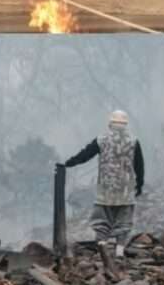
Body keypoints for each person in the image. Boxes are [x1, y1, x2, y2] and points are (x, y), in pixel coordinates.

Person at [59, 109, 145, 258]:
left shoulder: (101, 139)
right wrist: (140, 184)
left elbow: (85, 155)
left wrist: (69, 163)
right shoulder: (133, 141)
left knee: (102, 221)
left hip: (106, 189)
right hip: (125, 189)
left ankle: (102, 248)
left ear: (110, 123)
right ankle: (119, 251)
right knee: (123, 222)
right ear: (125, 124)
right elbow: (139, 165)